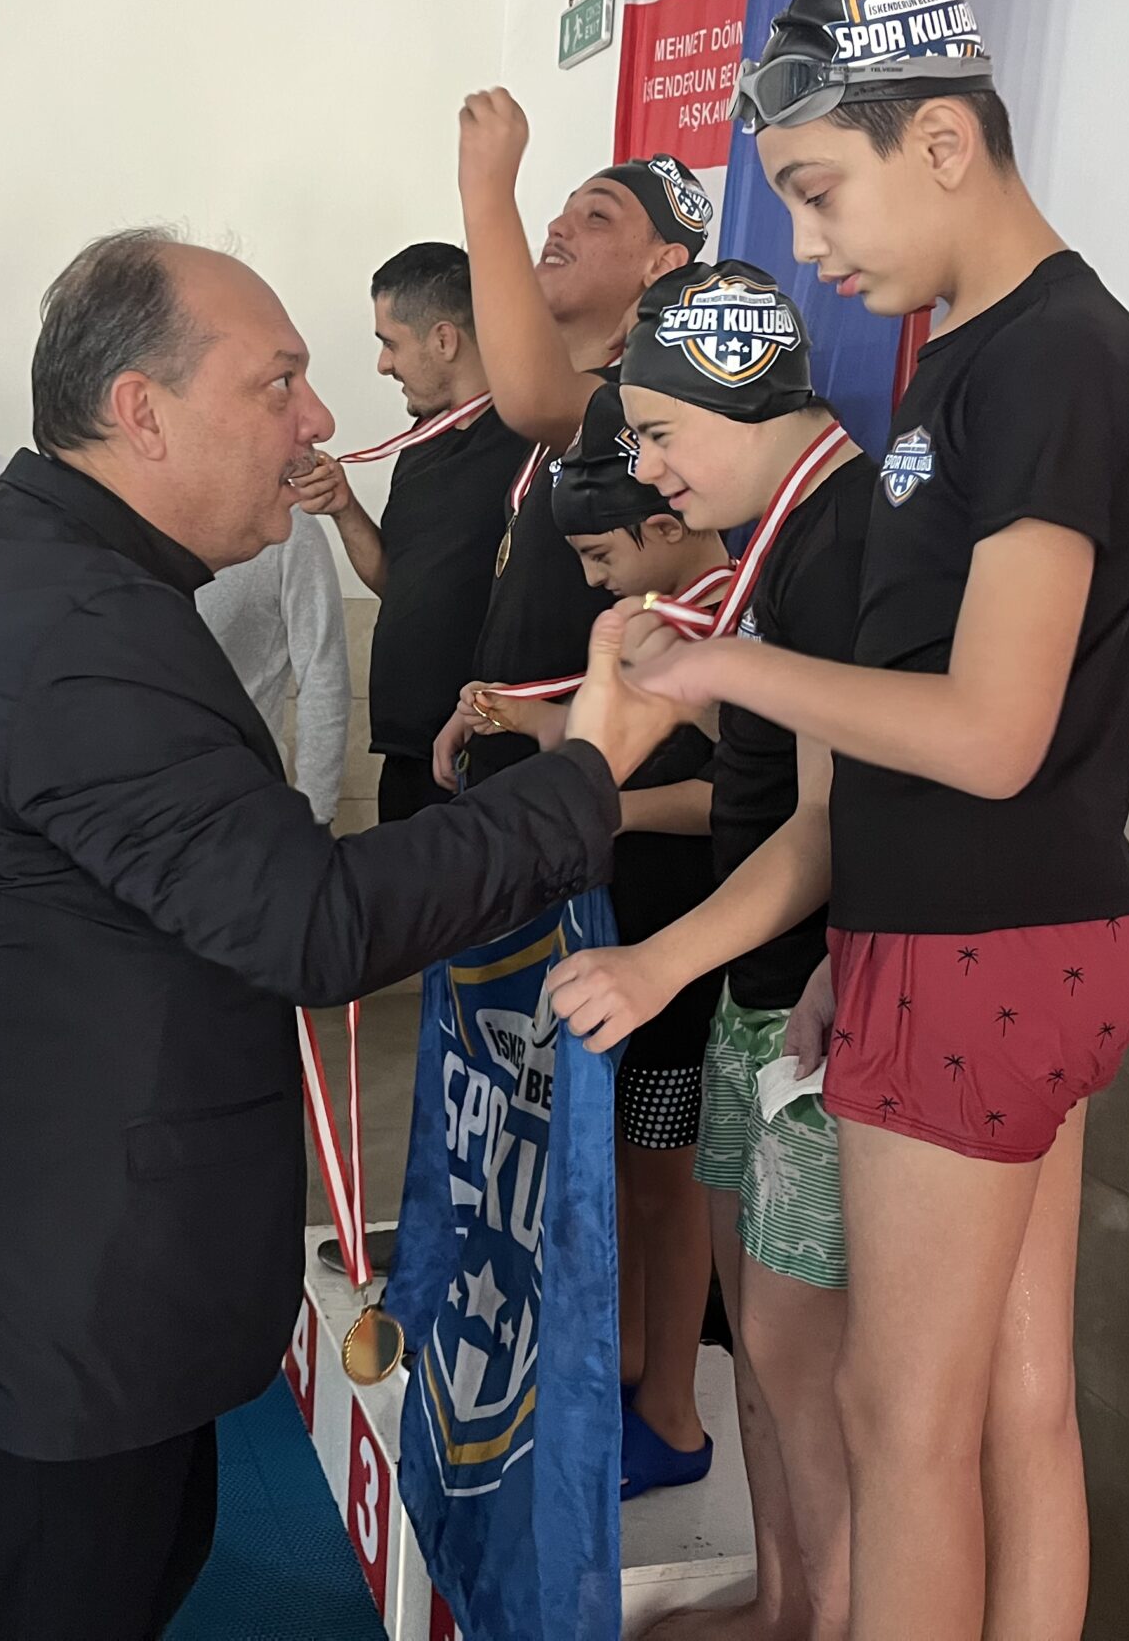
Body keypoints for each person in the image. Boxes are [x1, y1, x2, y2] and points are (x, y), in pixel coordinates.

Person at [0, 229, 682, 1641]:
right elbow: (310, 921)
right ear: (142, 412)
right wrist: (590, 774)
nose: (319, 417)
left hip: (49, 1276)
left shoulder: (34, 576)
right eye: (278, 382)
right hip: (50, 1304)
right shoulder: (72, 626)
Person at [619, 0, 1129, 1641]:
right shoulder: (988, 354)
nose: (808, 246)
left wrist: (725, 669)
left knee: (902, 1418)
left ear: (942, 140)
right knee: (1010, 1399)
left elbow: (991, 732)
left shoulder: (1049, 359)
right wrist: (853, 949)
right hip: (990, 930)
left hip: (985, 940)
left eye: (818, 191)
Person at [548, 261, 875, 1639]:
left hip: (814, 1005)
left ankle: (825, 1615)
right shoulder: (781, 538)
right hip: (759, 993)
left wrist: (660, 963)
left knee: (805, 1374)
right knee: (755, 1355)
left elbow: (826, 827)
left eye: (659, 435)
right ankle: (782, 1598)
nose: (650, 475)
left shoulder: (845, 534)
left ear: (738, 400)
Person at [508, 380, 728, 1501]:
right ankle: (637, 1364)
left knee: (666, 1185)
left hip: (684, 953)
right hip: (631, 936)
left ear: (663, 524)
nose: (594, 580)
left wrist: (609, 809)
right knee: (629, 1179)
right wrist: (515, 716)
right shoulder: (659, 621)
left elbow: (740, 799)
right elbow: (606, 740)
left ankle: (675, 1414)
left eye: (600, 555)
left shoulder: (734, 621)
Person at [434, 95, 708, 788]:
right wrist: (490, 700)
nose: (558, 227)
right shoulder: (572, 410)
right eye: (564, 210)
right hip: (514, 764)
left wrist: (487, 188)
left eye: (597, 217)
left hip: (593, 795)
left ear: (662, 264)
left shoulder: (641, 408)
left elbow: (532, 395)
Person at [288, 242, 531, 822]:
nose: (383, 364)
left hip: (485, 749)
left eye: (390, 343)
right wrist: (345, 507)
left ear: (444, 340)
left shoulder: (530, 439)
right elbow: (398, 585)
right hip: (408, 748)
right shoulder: (422, 443)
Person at [193, 507, 349, 823]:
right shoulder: (126, 514)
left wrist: (315, 814)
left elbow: (323, 675)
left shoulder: (288, 527)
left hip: (238, 803)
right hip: (121, 805)